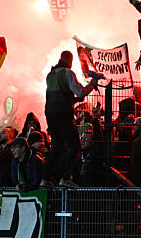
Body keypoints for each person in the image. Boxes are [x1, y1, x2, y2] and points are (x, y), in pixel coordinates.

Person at [44, 50, 100, 187]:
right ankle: (65, 178)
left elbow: (57, 97)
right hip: (63, 115)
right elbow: (80, 91)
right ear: (70, 60)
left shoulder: (50, 75)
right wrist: (92, 84)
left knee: (56, 148)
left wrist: (73, 100)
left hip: (50, 115)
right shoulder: (68, 73)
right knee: (75, 147)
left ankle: (44, 179)